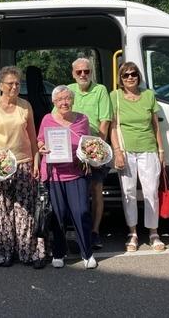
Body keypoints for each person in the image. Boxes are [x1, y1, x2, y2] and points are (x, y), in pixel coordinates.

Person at [0, 65, 45, 268]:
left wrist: (36, 162)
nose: (15, 87)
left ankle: (28, 252)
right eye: (10, 84)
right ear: (1, 86)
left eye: (18, 83)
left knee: (24, 211)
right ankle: (1, 254)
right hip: (0, 166)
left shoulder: (25, 106)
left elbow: (33, 138)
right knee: (0, 210)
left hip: (24, 163)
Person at [37, 85, 97, 269]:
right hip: (55, 174)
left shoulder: (82, 119)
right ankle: (59, 253)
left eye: (67, 98)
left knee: (81, 213)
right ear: (54, 102)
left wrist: (90, 153)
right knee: (58, 215)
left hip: (76, 173)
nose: (64, 102)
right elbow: (40, 141)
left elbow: (88, 144)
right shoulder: (47, 119)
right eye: (60, 99)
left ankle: (87, 253)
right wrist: (42, 148)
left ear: (72, 100)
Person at [109, 62, 166, 252]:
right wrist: (117, 151)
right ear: (121, 79)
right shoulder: (115, 96)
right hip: (126, 151)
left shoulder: (148, 95)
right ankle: (132, 232)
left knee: (151, 191)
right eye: (125, 75)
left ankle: (153, 232)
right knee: (128, 192)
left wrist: (161, 150)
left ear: (138, 76)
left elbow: (155, 125)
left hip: (148, 149)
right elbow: (113, 127)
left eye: (133, 74)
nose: (130, 77)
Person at [68, 57, 111, 249]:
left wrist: (97, 150)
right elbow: (57, 116)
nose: (83, 75)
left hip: (94, 149)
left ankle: (94, 232)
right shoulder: (67, 91)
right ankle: (80, 231)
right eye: (79, 72)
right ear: (73, 74)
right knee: (79, 193)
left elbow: (105, 121)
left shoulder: (100, 90)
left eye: (87, 71)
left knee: (96, 191)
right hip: (73, 151)